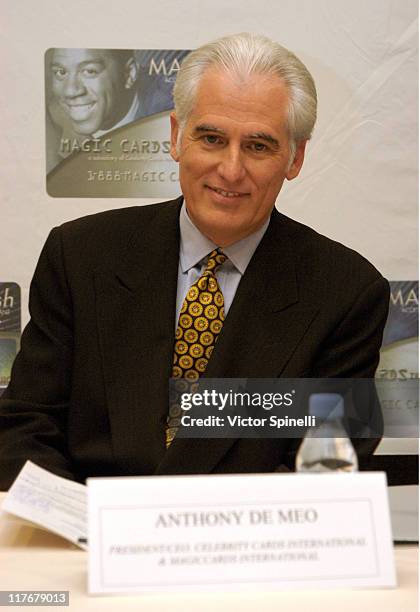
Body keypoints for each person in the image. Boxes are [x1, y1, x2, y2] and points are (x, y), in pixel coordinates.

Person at [0, 33, 389, 489]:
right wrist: (86, 527)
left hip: (245, 549)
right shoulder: (80, 255)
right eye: (211, 137)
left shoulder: (347, 293)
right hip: (89, 542)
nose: (230, 169)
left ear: (295, 157)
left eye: (259, 146)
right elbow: (27, 423)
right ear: (176, 137)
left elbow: (326, 465)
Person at [46, 48, 139, 171]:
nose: (70, 91)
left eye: (89, 71)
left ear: (129, 74)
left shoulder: (166, 115)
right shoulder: (48, 131)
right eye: (61, 72)